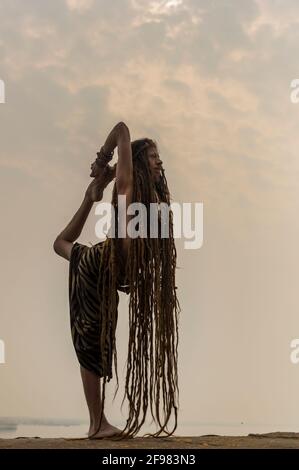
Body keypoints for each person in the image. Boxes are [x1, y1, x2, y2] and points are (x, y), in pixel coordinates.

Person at [53, 121, 181, 439]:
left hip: (107, 272)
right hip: (98, 267)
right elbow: (121, 128)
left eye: (158, 156)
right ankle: (97, 424)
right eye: (152, 156)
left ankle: (88, 197)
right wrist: (106, 158)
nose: (159, 161)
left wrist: (102, 174)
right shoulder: (129, 190)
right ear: (136, 164)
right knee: (92, 340)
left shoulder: (154, 203)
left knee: (62, 246)